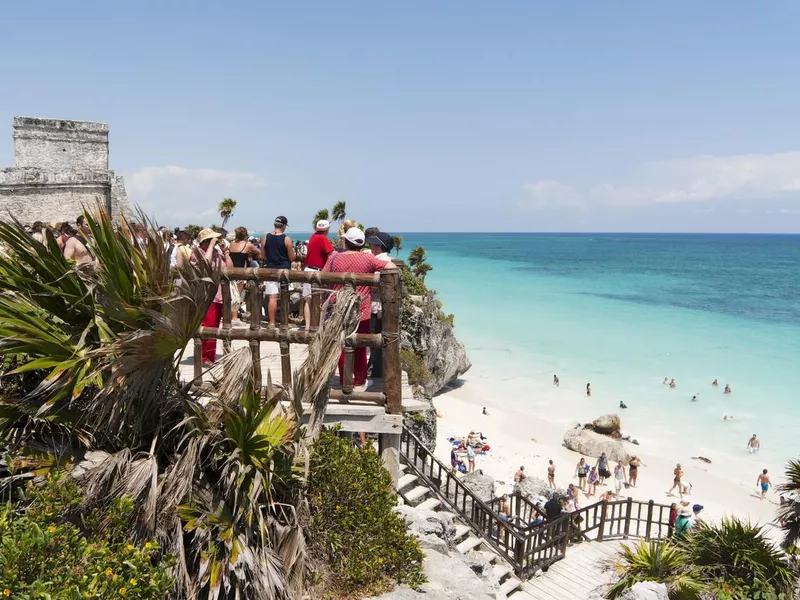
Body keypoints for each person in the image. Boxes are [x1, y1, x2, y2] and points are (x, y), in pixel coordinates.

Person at [322, 227, 397, 387]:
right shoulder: (368, 259)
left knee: (340, 345)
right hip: (361, 309)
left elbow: (323, 275)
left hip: (338, 307)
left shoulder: (334, 257)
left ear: (347, 242)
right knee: (360, 345)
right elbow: (390, 267)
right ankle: (360, 378)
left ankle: (344, 379)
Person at [192, 228, 233, 365]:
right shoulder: (196, 252)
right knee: (207, 325)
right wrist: (210, 246)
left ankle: (211, 356)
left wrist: (226, 253)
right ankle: (204, 357)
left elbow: (230, 269)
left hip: (218, 293)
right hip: (205, 294)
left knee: (215, 327)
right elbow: (205, 264)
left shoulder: (217, 252)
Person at [365, 230, 394, 377]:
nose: (370, 246)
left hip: (376, 306)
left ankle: (374, 369)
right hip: (385, 307)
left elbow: (375, 286)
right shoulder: (389, 260)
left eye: (372, 244)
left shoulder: (380, 262)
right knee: (379, 338)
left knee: (373, 338)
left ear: (378, 246)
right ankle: (376, 369)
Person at [261, 216, 296, 327]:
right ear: (284, 226)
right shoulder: (287, 239)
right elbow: (291, 257)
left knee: (272, 297)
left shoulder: (265, 237)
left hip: (270, 269)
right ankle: (284, 322)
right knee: (285, 296)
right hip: (284, 270)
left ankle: (271, 323)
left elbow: (263, 255)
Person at [303, 220, 335, 331]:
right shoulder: (323, 238)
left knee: (308, 300)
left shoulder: (313, 237)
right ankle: (319, 325)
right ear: (327, 229)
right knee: (320, 299)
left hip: (308, 269)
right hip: (318, 271)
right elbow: (331, 254)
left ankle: (307, 326)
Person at [228, 227, 261, 323]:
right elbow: (260, 253)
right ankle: (234, 318)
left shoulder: (231, 244)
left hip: (231, 271)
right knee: (237, 295)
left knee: (232, 294)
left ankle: (231, 315)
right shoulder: (247, 245)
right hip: (241, 272)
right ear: (245, 235)